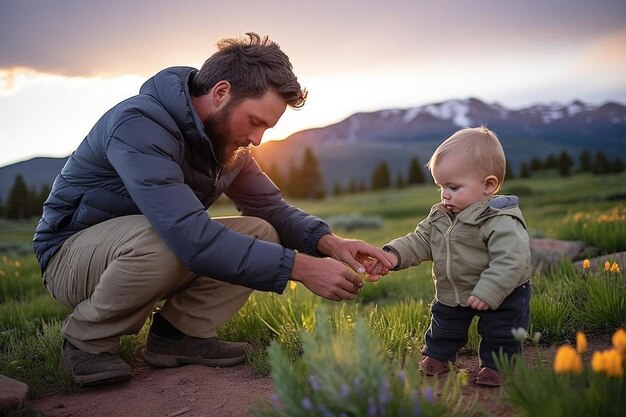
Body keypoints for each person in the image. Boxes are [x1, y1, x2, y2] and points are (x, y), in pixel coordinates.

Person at [33, 32, 392, 387]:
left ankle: (178, 336)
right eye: (255, 122)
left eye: (267, 127)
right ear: (221, 93)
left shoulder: (226, 146)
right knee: (166, 237)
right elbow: (186, 234)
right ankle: (86, 342)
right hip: (70, 256)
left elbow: (272, 210)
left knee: (262, 231)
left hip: (146, 246)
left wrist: (331, 244)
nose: (257, 139)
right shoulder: (139, 124)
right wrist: (302, 268)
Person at [362, 127, 531, 387]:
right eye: (441, 187)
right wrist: (393, 255)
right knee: (444, 324)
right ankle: (438, 355)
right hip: (455, 289)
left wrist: (491, 289)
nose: (445, 194)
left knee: (501, 332)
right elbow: (420, 241)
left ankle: (497, 365)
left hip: (503, 292)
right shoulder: (441, 215)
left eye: (454, 187)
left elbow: (511, 260)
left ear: (489, 185)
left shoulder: (500, 221)